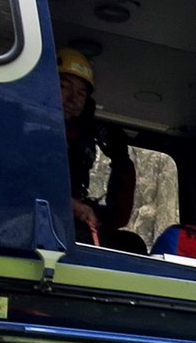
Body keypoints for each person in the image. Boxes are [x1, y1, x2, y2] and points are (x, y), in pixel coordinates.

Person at [57, 47, 140, 251]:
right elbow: (24, 185)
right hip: (42, 221)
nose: (72, 99)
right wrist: (72, 206)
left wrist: (121, 159)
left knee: (132, 245)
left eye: (81, 93)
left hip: (70, 218)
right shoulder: (30, 129)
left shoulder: (80, 137)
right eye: (64, 87)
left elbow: (118, 217)